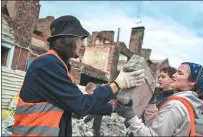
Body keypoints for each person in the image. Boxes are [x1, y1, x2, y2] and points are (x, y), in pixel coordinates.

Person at [12, 15, 146, 137]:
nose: (82, 45)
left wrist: (114, 108)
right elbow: (80, 105)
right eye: (80, 39)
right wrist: (116, 85)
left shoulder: (57, 66)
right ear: (67, 39)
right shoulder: (48, 65)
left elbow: (74, 105)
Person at [116, 62, 203, 136]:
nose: (174, 75)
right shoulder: (185, 103)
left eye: (180, 73)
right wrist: (151, 103)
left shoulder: (176, 105)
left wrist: (130, 116)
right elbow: (155, 126)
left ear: (192, 82)